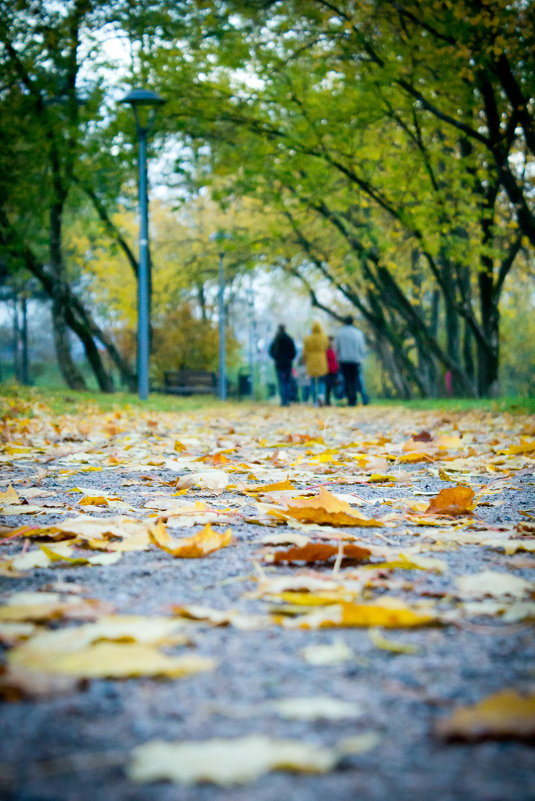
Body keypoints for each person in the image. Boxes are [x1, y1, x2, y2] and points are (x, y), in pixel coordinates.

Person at [334, 315, 369, 406]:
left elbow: (335, 348)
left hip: (344, 360)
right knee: (355, 379)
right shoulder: (358, 333)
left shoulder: (340, 333)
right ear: (353, 322)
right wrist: (361, 356)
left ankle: (351, 399)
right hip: (355, 360)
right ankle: (356, 398)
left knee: (346, 379)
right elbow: (362, 348)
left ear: (344, 322)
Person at [269, 324, 296, 407]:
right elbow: (294, 352)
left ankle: (283, 400)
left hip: (279, 364)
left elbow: (271, 351)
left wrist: (276, 358)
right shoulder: (289, 339)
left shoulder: (276, 339)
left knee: (281, 382)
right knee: (287, 382)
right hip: (287, 364)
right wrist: (289, 358)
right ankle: (287, 399)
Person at [302, 321, 328, 406]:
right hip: (321, 360)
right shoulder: (324, 337)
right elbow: (326, 347)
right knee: (321, 380)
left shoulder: (308, 338)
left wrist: (304, 359)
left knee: (312, 381)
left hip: (311, 361)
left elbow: (305, 351)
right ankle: (321, 395)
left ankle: (314, 400)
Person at [325, 336, 339, 406]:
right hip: (328, 371)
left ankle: (333, 400)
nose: (332, 343)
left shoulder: (334, 350)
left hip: (334, 371)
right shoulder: (326, 351)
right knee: (328, 386)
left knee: (333, 386)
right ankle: (327, 400)